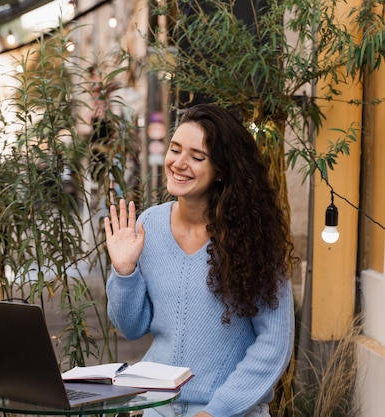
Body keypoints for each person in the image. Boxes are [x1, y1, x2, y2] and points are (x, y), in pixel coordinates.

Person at [104, 104, 295, 417]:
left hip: (229, 411)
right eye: (175, 149)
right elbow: (132, 327)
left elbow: (274, 344)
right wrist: (125, 272)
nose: (179, 163)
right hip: (157, 407)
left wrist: (216, 412)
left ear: (221, 169)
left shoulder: (252, 237)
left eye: (196, 157)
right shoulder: (147, 226)